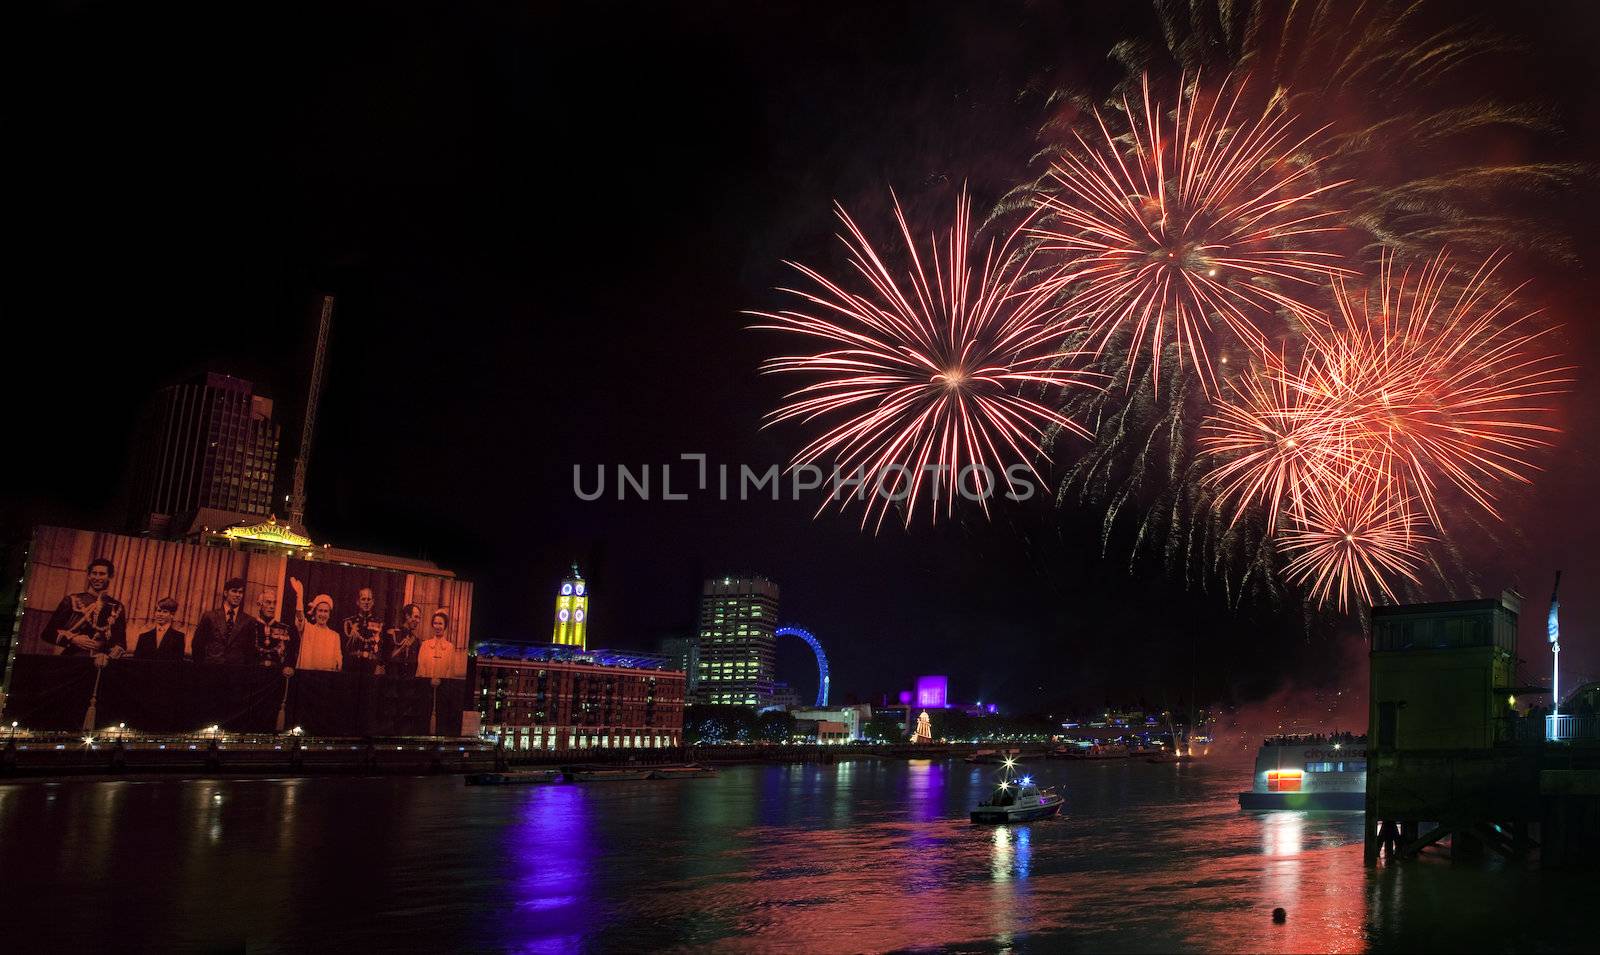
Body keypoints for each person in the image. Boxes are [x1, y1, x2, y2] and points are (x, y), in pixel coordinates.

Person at [38, 557, 127, 657]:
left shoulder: (117, 607)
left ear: (110, 576)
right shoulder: (72, 600)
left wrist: (108, 658)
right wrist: (73, 639)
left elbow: (121, 644)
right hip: (72, 659)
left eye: (102, 574)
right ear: (88, 576)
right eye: (94, 573)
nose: (97, 578)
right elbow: (47, 634)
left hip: (101, 663)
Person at [193, 577, 261, 665]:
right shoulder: (210, 616)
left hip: (235, 673)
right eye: (234, 591)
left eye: (240, 592)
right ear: (225, 593)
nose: (238, 595)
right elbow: (197, 645)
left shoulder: (249, 621)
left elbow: (250, 652)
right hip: (211, 671)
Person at [287, 577, 342, 671]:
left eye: (326, 611)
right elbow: (300, 616)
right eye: (320, 610)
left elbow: (338, 662)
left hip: (326, 679)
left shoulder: (335, 636)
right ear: (315, 613)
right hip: (307, 678)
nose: (323, 614)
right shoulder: (307, 629)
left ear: (329, 615)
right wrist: (299, 596)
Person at [340, 587, 383, 674]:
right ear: (358, 602)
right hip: (352, 666)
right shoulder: (349, 622)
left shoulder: (379, 623)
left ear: (373, 602)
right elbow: (344, 647)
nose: (366, 602)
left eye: (369, 599)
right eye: (363, 599)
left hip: (371, 668)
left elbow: (381, 648)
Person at [383, 603, 423, 678]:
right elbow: (386, 659)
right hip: (393, 682)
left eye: (419, 618)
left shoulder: (416, 641)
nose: (418, 621)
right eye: (416, 617)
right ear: (407, 616)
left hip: (408, 684)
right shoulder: (393, 634)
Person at [415, 610, 456, 679]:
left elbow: (450, 671)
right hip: (426, 684)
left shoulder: (450, 647)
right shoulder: (425, 645)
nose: (437, 627)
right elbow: (421, 667)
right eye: (435, 623)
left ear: (445, 626)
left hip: (443, 686)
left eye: (440, 624)